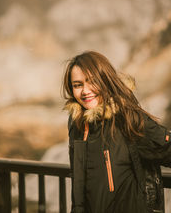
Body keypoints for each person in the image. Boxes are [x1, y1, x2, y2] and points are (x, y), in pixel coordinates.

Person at [62, 51, 171, 213]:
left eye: (92, 82)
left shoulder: (127, 117)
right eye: (78, 85)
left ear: (106, 80)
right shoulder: (78, 123)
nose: (85, 91)